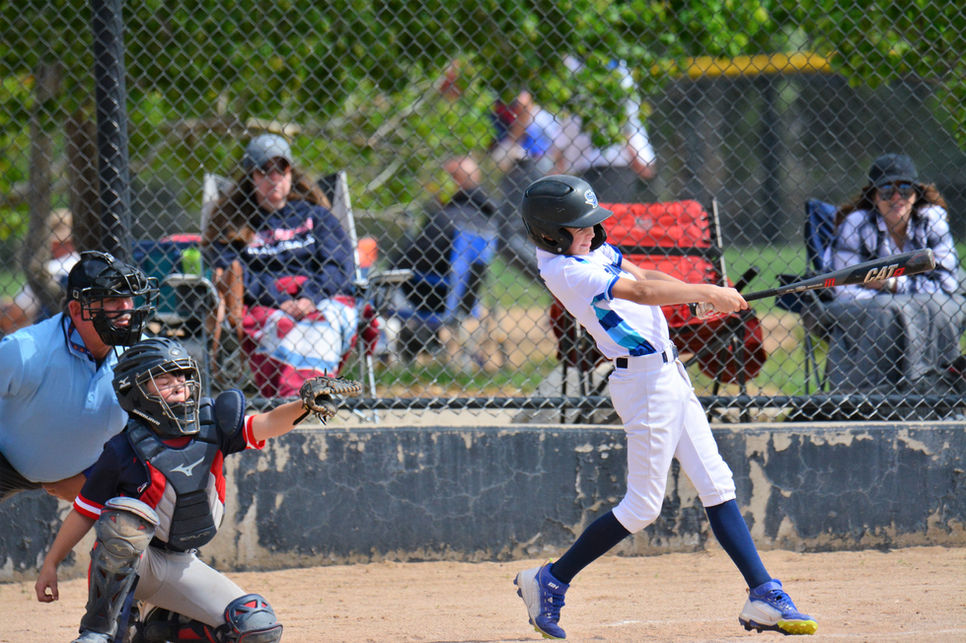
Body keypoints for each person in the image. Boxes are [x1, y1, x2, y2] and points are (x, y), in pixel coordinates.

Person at [514, 174, 817, 639]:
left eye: (592, 224)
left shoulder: (588, 250)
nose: (590, 232)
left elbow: (645, 278)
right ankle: (550, 580)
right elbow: (640, 295)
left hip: (668, 373)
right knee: (641, 508)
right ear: (549, 233)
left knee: (716, 483)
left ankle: (764, 594)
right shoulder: (566, 271)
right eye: (578, 227)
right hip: (644, 385)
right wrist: (708, 293)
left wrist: (695, 297)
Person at [34, 337, 359, 642]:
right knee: (124, 524)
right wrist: (51, 563)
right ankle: (98, 632)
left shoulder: (214, 423)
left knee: (255, 627)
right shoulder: (122, 449)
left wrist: (304, 406)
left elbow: (269, 423)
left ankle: (155, 626)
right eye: (163, 379)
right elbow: (85, 512)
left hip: (180, 562)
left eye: (182, 375)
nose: (179, 384)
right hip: (135, 561)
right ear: (135, 391)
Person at [202, 133, 359, 397]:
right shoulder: (233, 222)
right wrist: (279, 299)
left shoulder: (316, 215)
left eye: (281, 169)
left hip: (319, 297)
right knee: (281, 324)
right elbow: (230, 271)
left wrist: (310, 297)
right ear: (251, 176)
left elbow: (339, 265)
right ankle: (305, 397)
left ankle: (299, 398)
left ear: (290, 173)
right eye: (264, 170)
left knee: (326, 320)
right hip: (265, 302)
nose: (273, 177)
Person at [0, 250, 157, 503]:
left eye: (128, 298)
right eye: (112, 299)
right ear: (76, 309)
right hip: (6, 467)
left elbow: (159, 434)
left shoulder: (144, 355)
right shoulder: (25, 350)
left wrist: (91, 478)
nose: (126, 308)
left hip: (95, 475)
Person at [821, 153, 965, 395]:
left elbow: (947, 285)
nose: (897, 198)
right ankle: (872, 394)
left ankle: (941, 390)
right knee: (886, 310)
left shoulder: (932, 221)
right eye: (887, 190)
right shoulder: (856, 224)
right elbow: (845, 292)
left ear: (916, 194)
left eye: (905, 189)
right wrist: (899, 300)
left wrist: (892, 284)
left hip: (923, 304)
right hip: (873, 310)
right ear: (874, 196)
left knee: (936, 308)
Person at [395, 156, 498, 365]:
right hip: (467, 299)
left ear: (455, 181)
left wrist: (393, 267)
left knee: (388, 280)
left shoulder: (446, 217)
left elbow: (411, 258)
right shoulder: (489, 217)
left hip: (433, 296)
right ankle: (427, 343)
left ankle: (399, 350)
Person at [550, 58, 657, 204]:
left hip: (613, 164)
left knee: (606, 211)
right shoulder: (573, 64)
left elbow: (627, 115)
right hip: (584, 164)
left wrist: (638, 155)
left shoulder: (616, 66)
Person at [0, 208, 80, 335]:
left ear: (53, 243)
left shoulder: (53, 268)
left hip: (50, 338)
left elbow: (14, 314)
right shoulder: (83, 264)